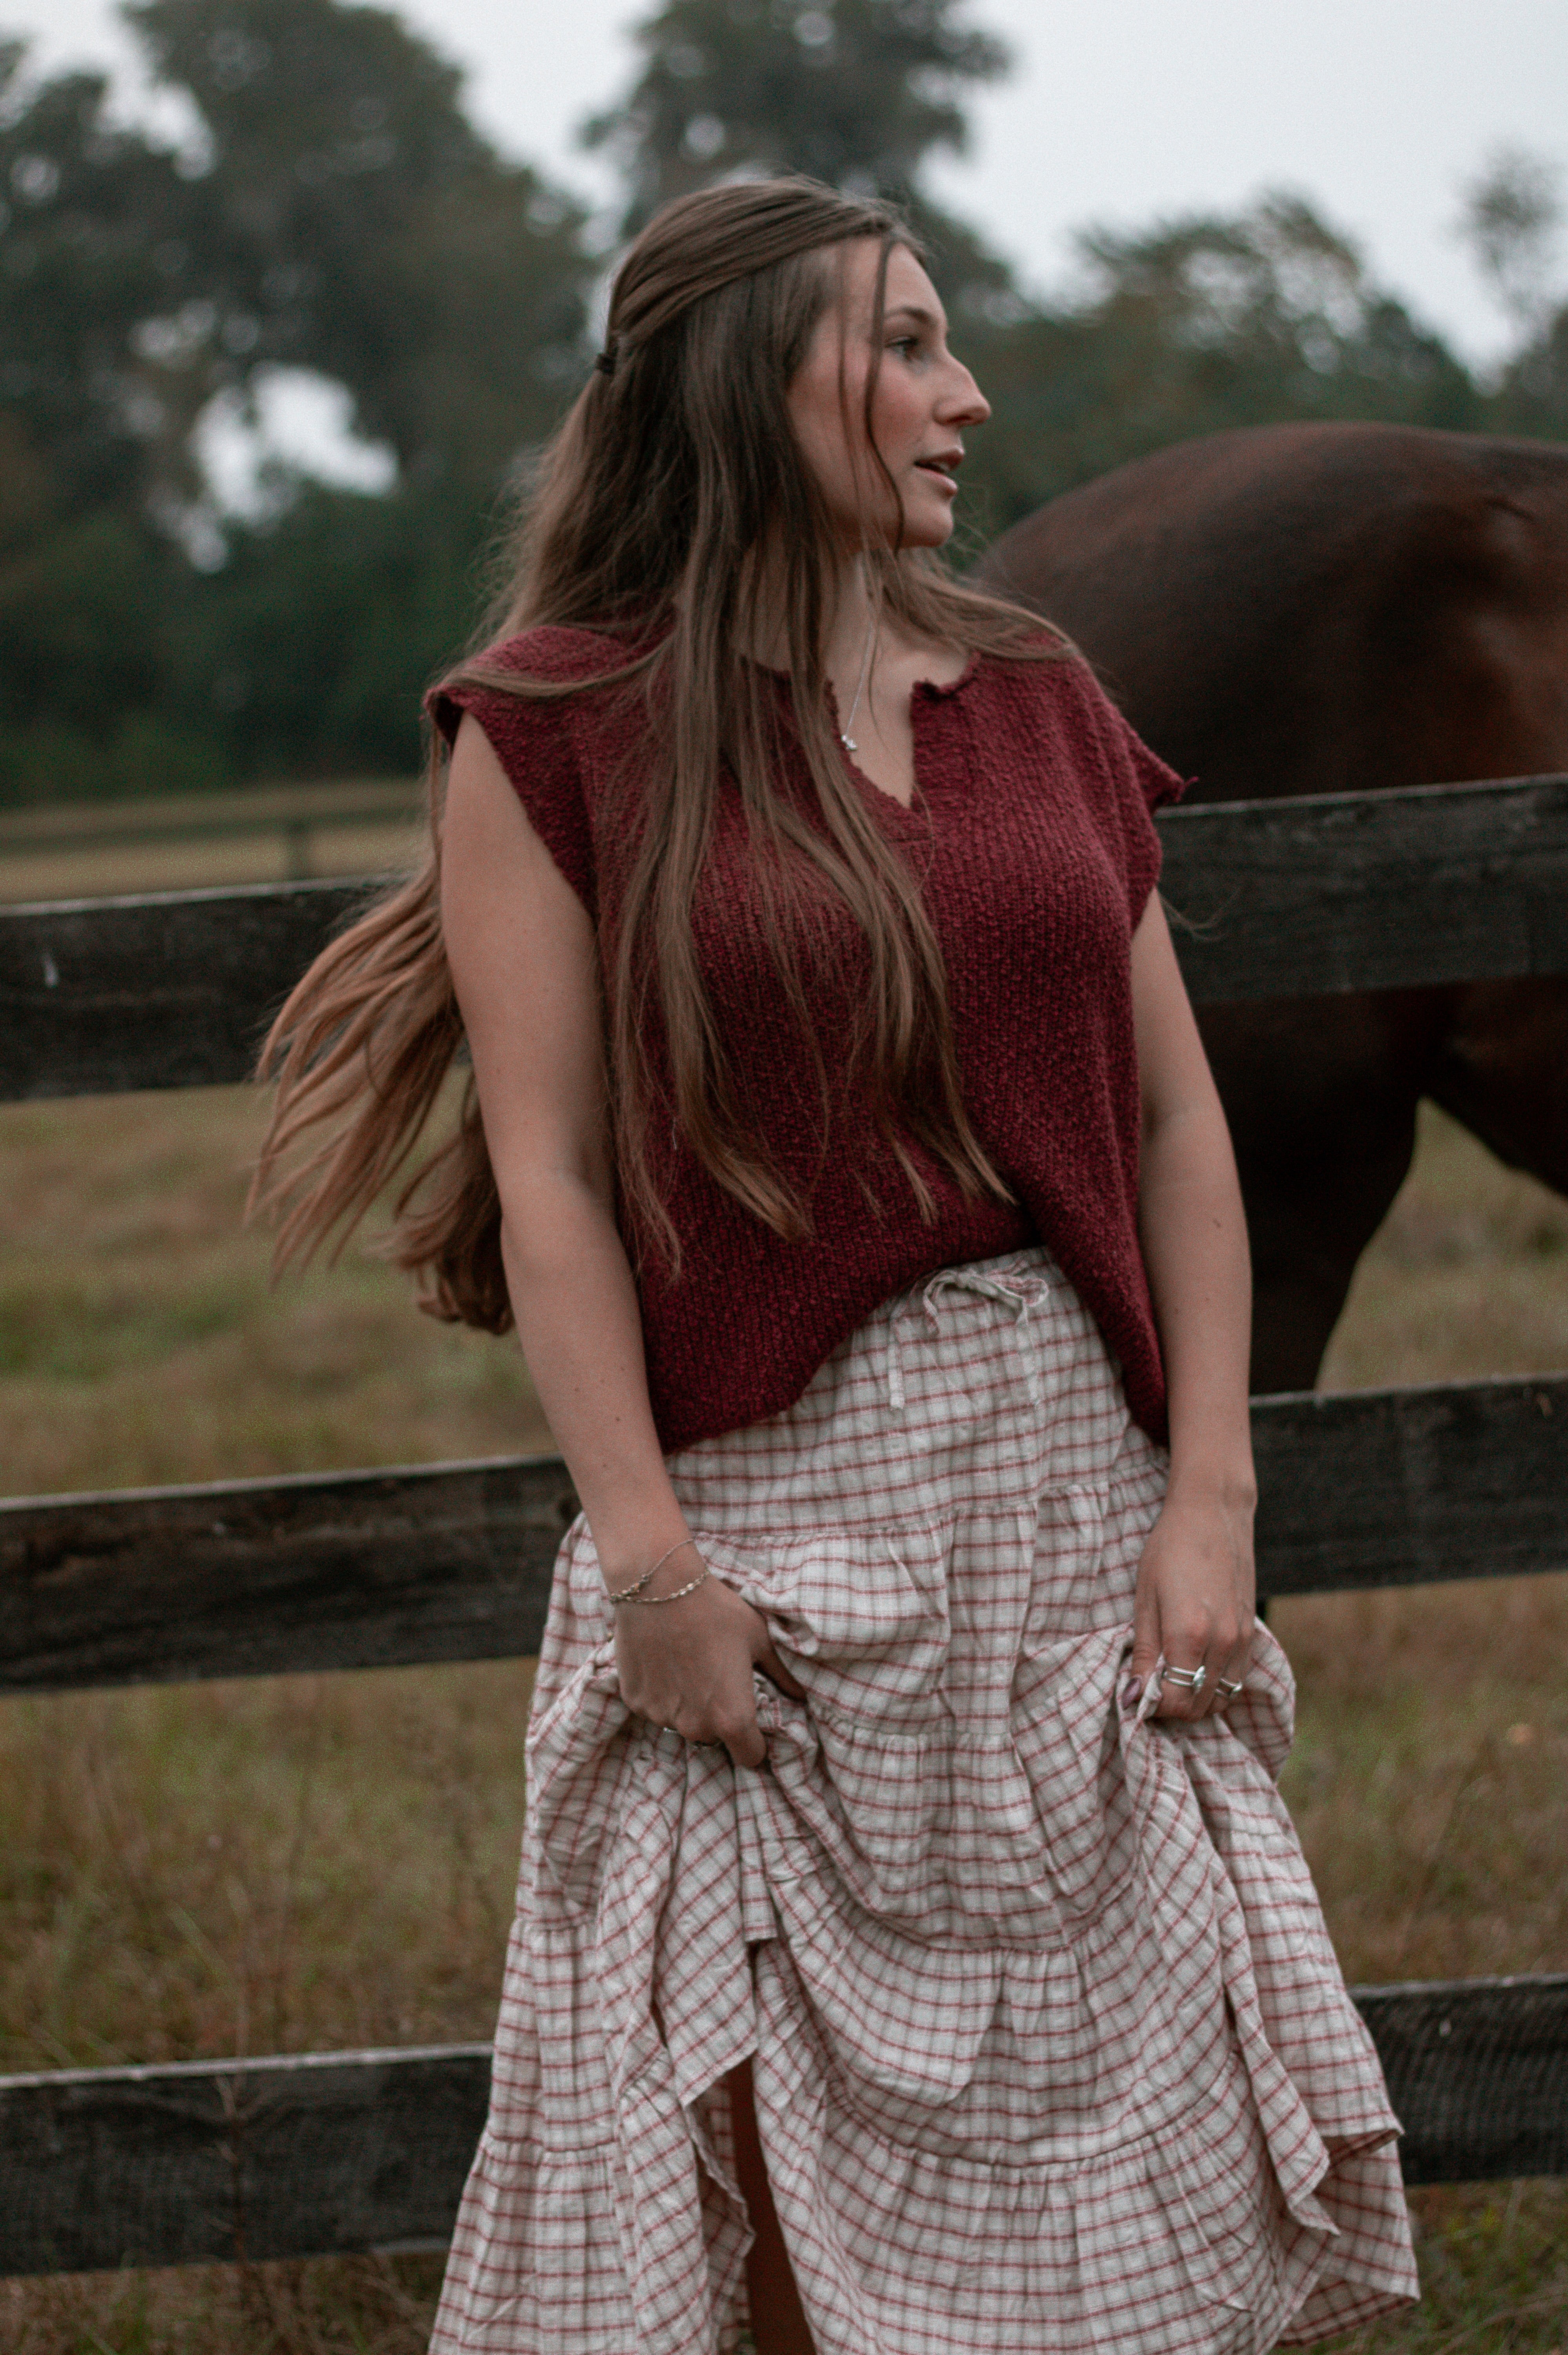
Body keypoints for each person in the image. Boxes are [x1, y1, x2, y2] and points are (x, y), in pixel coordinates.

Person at [254, 176, 1418, 2355]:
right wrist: (654, 1577)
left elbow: (1177, 1121)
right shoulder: (550, 729)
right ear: (737, 374)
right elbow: (554, 1182)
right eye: (902, 344)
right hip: (775, 1570)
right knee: (787, 2238)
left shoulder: (1041, 697)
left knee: (1130, 2196)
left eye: (950, 343)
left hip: (1081, 1548)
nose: (963, 395)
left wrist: (1211, 1496)